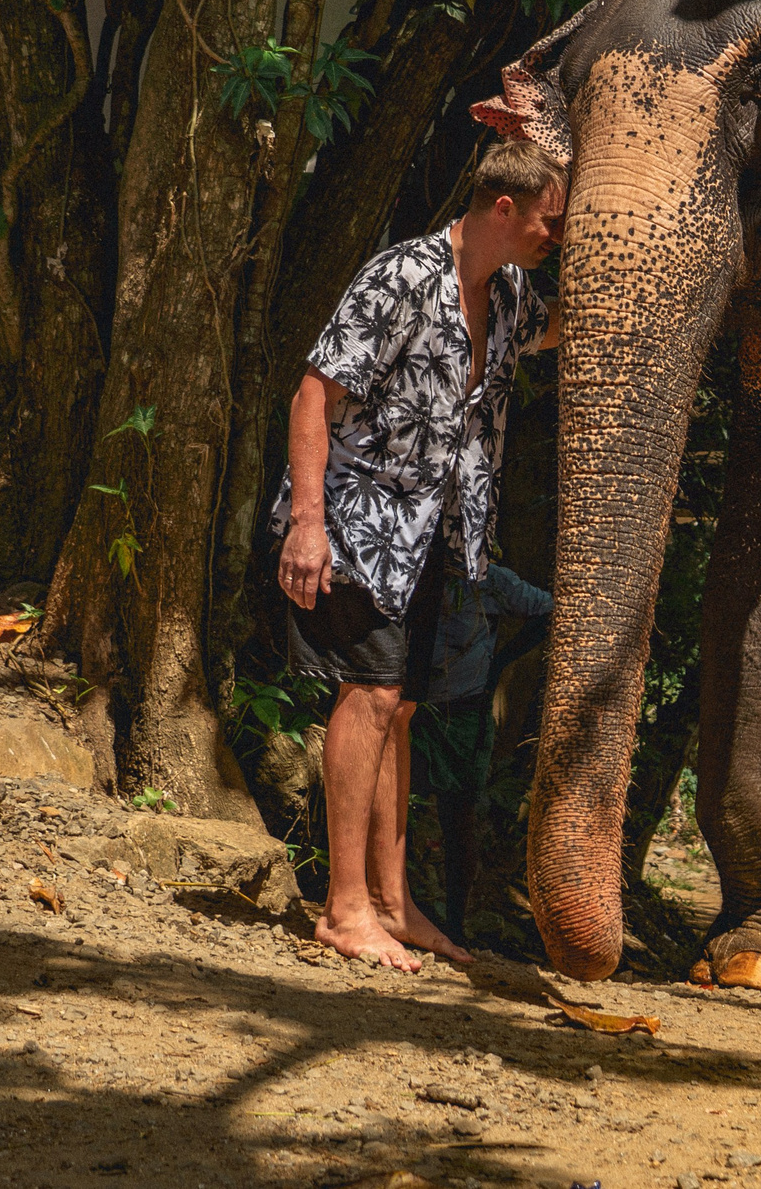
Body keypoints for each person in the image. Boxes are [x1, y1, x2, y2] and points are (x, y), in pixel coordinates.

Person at [276, 138, 564, 973]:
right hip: (359, 521)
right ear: (503, 210)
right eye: (552, 219)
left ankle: (394, 904)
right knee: (370, 695)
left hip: (437, 537)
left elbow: (564, 327)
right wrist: (307, 523)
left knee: (400, 708)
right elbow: (312, 393)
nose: (560, 234)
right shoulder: (402, 276)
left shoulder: (509, 294)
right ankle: (343, 909)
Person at [411, 560, 552, 945]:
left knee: (460, 817)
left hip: (466, 711)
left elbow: (549, 610)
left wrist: (501, 661)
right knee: (398, 806)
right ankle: (401, 904)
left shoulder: (492, 580)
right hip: (409, 708)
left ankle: (454, 923)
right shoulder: (413, 565)